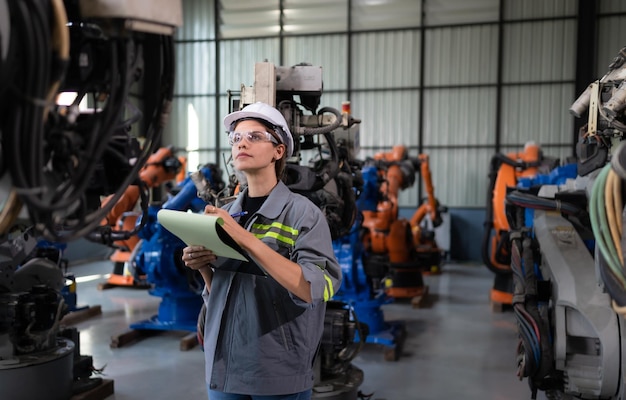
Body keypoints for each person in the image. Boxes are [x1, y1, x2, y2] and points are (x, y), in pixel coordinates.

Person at [181, 102, 342, 400]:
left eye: (255, 136)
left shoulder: (303, 214)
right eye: (236, 138)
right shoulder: (228, 213)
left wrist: (244, 238)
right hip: (225, 364)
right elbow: (225, 290)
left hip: (276, 367)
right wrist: (203, 266)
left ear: (278, 151)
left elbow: (314, 288)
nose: (242, 142)